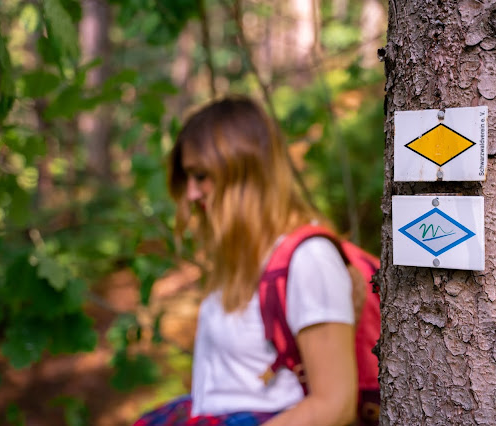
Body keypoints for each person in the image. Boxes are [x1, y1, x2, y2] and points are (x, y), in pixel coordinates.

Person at [135, 95, 359, 426]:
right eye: (188, 179)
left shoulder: (309, 259)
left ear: (244, 170)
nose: (192, 194)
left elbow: (335, 405)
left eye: (201, 176)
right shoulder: (244, 258)